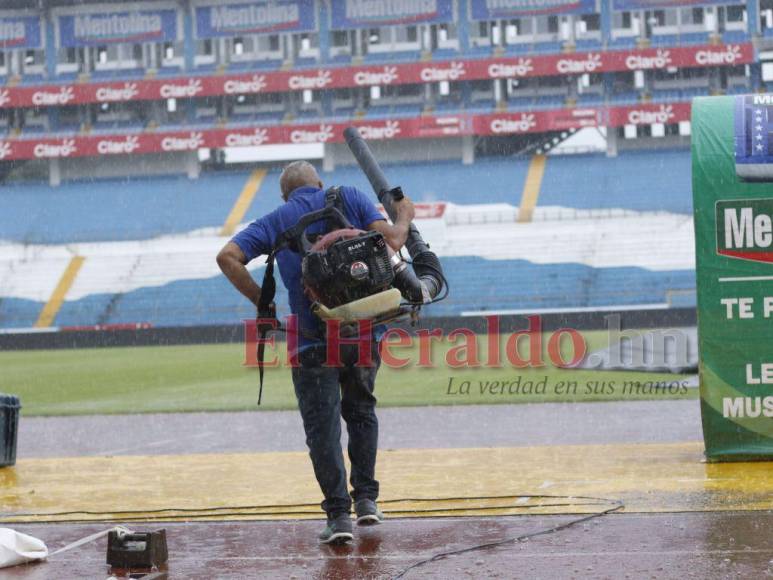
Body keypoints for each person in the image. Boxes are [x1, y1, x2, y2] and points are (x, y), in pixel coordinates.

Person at [216, 161, 415, 544]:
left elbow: (227, 257)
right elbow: (393, 241)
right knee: (361, 412)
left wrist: (264, 301)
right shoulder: (350, 197)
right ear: (320, 183)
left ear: (284, 194)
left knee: (322, 430)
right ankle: (368, 501)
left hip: (310, 340)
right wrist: (404, 215)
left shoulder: (278, 218)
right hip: (361, 334)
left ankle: (339, 517)